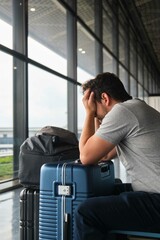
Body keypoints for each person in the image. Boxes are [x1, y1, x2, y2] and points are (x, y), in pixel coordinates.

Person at [74, 72, 160, 240]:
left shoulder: (123, 111)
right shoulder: (137, 108)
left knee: (86, 213)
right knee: (110, 192)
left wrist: (89, 113)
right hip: (153, 195)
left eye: (93, 104)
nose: (97, 115)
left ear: (105, 98)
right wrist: (96, 115)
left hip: (157, 201)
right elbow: (104, 155)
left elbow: (86, 156)